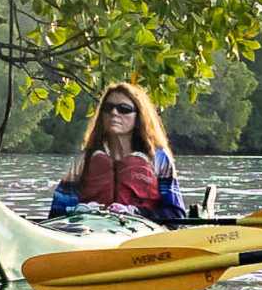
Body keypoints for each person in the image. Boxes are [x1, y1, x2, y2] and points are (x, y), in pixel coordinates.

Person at [49, 81, 187, 225]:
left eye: (124, 109)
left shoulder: (159, 158)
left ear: (139, 116)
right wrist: (79, 210)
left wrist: (136, 213)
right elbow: (56, 213)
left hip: (142, 233)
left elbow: (176, 215)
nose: (114, 113)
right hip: (91, 231)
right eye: (108, 108)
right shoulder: (85, 160)